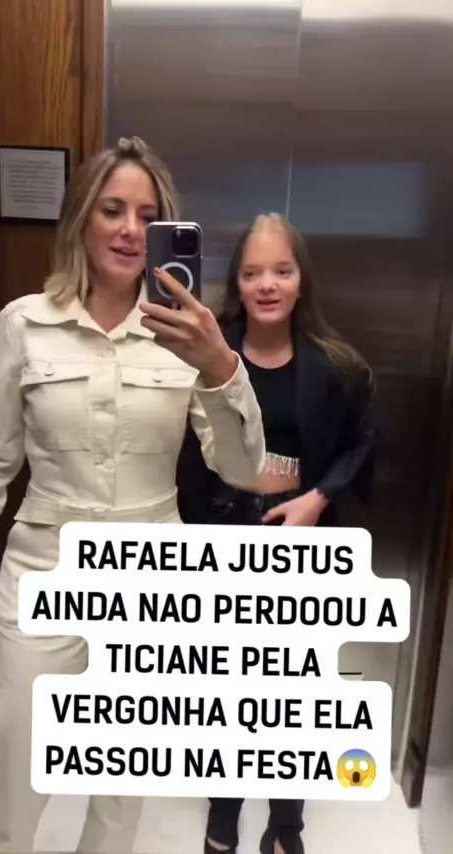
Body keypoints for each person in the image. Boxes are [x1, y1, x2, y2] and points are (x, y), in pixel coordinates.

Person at [0, 136, 265, 854]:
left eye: (149, 216)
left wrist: (222, 367)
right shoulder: (24, 323)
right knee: (12, 764)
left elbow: (241, 467)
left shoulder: (189, 335)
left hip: (150, 575)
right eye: (113, 210)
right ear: (81, 219)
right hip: (43, 570)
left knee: (122, 780)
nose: (132, 229)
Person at [176, 213, 377, 854]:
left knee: (294, 693)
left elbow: (362, 445)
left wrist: (318, 497)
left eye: (282, 271)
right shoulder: (205, 353)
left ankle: (286, 827)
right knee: (227, 693)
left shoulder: (339, 366)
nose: (267, 285)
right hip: (220, 541)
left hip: (302, 547)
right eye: (252, 272)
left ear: (301, 280)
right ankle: (223, 819)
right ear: (236, 282)